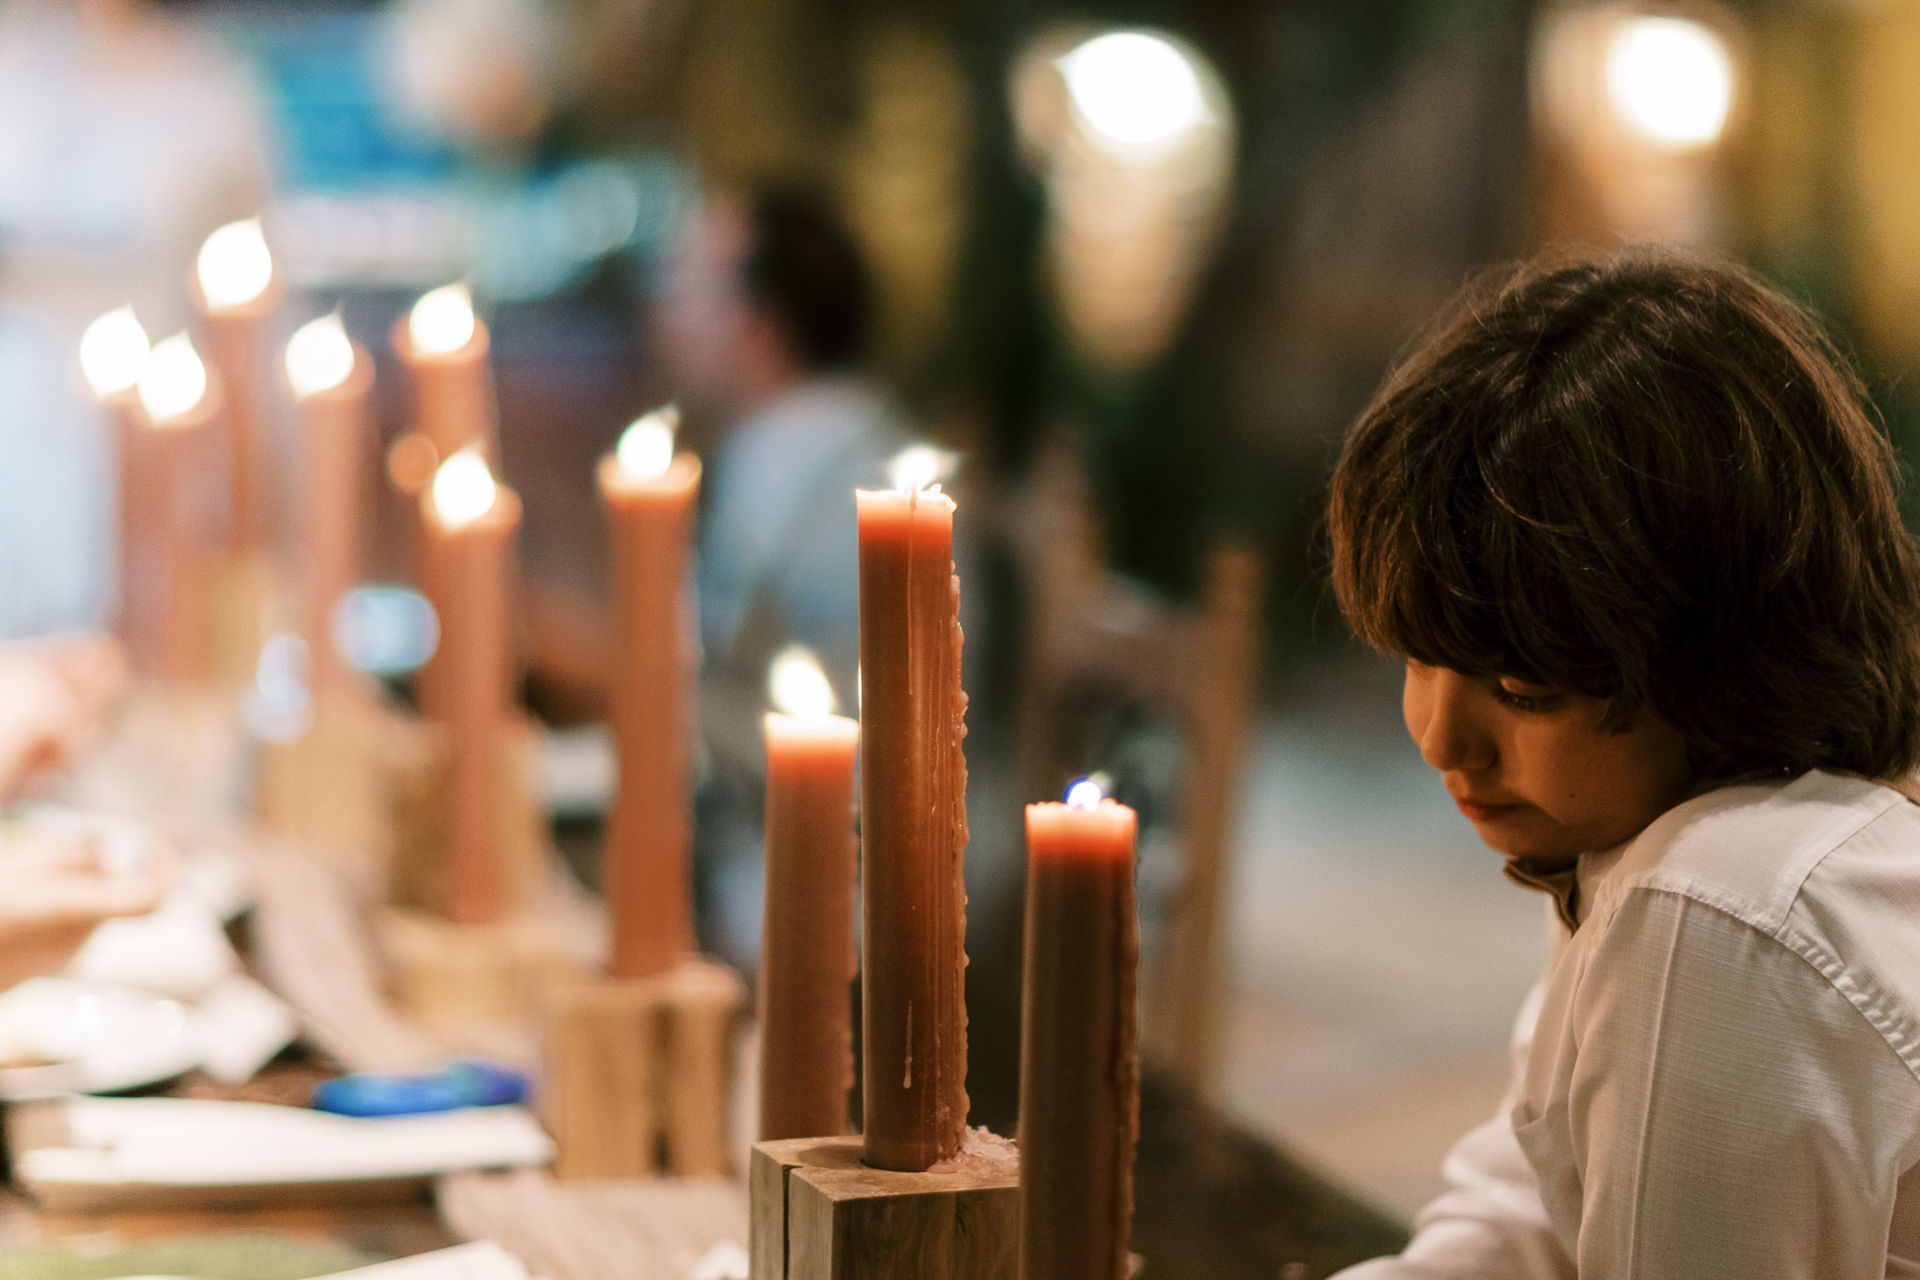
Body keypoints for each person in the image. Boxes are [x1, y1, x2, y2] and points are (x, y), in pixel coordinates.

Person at [1324, 250, 1920, 1277]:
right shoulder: (1667, 840)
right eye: (1422, 654)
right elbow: (1534, 1201)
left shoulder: (1720, 901)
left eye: (1519, 685)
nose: (1437, 737)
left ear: (1722, 644)